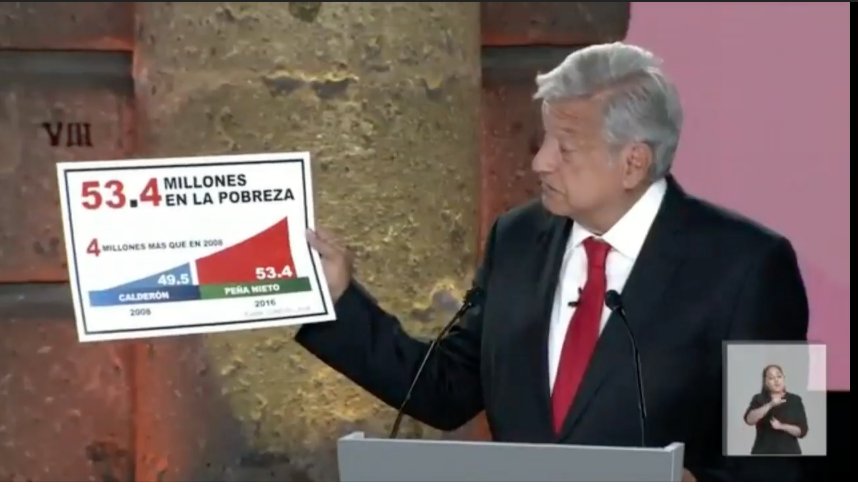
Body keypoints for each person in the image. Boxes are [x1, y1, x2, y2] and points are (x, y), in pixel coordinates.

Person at [296, 42, 809, 481]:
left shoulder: (753, 266)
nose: (540, 162)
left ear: (633, 162)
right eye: (544, 140)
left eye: (565, 148)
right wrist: (337, 299)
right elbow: (445, 390)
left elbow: (780, 456)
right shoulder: (517, 238)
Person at [744, 365, 809, 455]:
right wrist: (770, 404)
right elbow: (749, 420)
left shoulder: (795, 400)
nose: (776, 380)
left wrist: (781, 426)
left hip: (790, 453)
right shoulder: (758, 398)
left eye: (779, 376)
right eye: (771, 378)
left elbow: (802, 431)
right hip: (762, 452)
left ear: (784, 378)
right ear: (765, 382)